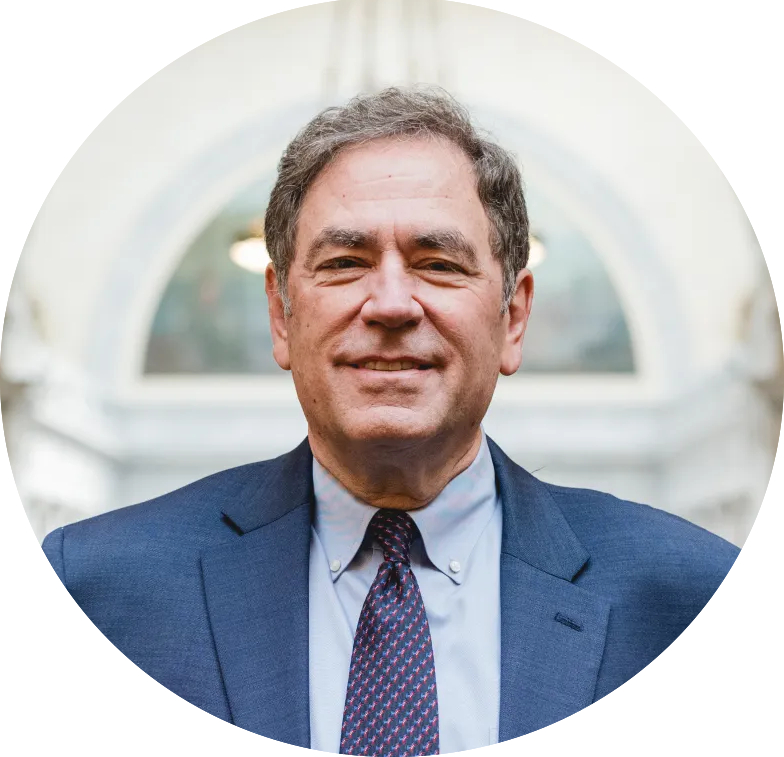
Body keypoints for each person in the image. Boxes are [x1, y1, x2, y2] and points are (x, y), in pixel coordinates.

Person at [42, 87, 740, 757]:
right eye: (345, 262)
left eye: (439, 264)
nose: (391, 304)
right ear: (282, 314)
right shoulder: (93, 596)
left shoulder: (708, 605)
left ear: (514, 317)